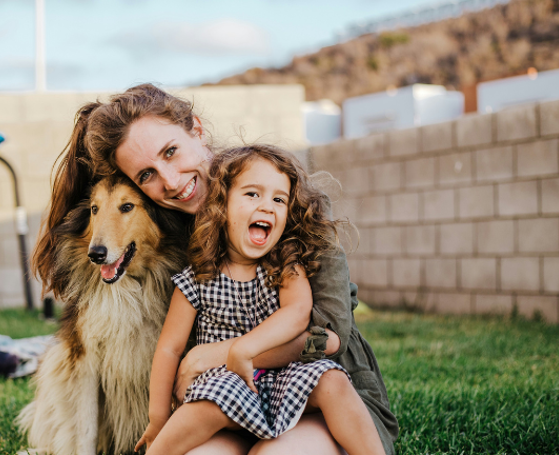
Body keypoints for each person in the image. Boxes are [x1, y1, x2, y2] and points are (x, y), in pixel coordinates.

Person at [33, 84, 398, 455]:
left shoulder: (278, 202)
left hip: (323, 396)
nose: (171, 182)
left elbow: (327, 338)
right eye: (147, 175)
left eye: (171, 152)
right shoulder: (171, 237)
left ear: (196, 129)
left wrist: (216, 354)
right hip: (226, 401)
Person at [133, 145, 386, 455]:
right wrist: (158, 416)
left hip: (285, 379)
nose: (267, 206)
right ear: (220, 206)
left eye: (278, 199)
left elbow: (298, 313)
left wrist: (245, 347)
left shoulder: (285, 266)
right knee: (199, 409)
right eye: (252, 194)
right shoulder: (197, 278)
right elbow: (169, 348)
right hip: (224, 385)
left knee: (332, 380)